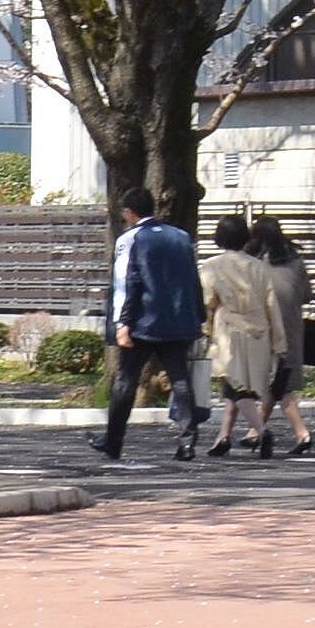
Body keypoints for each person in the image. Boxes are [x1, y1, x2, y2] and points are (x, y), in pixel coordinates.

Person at [95, 185, 204, 463]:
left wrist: (122, 323)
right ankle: (187, 441)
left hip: (143, 320)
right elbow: (193, 278)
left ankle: (113, 441)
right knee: (180, 379)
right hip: (179, 319)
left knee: (125, 380)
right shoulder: (181, 237)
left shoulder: (130, 239)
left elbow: (127, 282)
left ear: (130, 213)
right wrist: (197, 315)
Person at [198, 214, 282, 456]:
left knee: (237, 387)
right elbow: (272, 306)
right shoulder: (260, 267)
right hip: (259, 333)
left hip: (230, 332)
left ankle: (262, 431)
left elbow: (208, 303)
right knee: (234, 386)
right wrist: (279, 342)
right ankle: (223, 437)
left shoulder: (212, 266)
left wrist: (205, 331)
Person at [250, 213, 315, 455]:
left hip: (265, 329)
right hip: (292, 327)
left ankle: (302, 433)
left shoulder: (255, 263)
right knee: (277, 382)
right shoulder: (296, 261)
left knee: (279, 384)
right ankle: (255, 431)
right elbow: (307, 294)